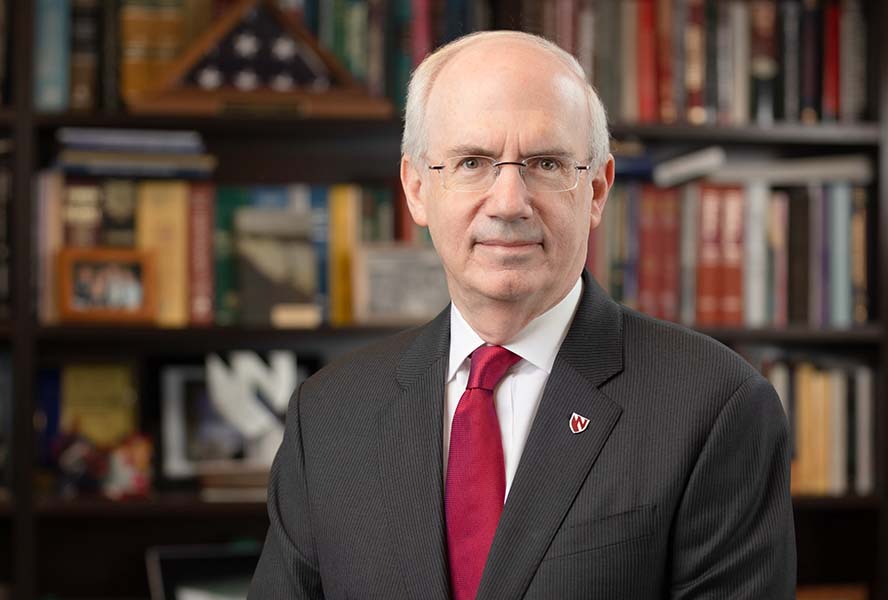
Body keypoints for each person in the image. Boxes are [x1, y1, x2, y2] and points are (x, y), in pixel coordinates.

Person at [248, 30, 795, 599]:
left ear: (598, 189)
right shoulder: (330, 415)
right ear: (416, 189)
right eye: (472, 162)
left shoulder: (716, 408)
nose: (509, 202)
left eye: (546, 162)